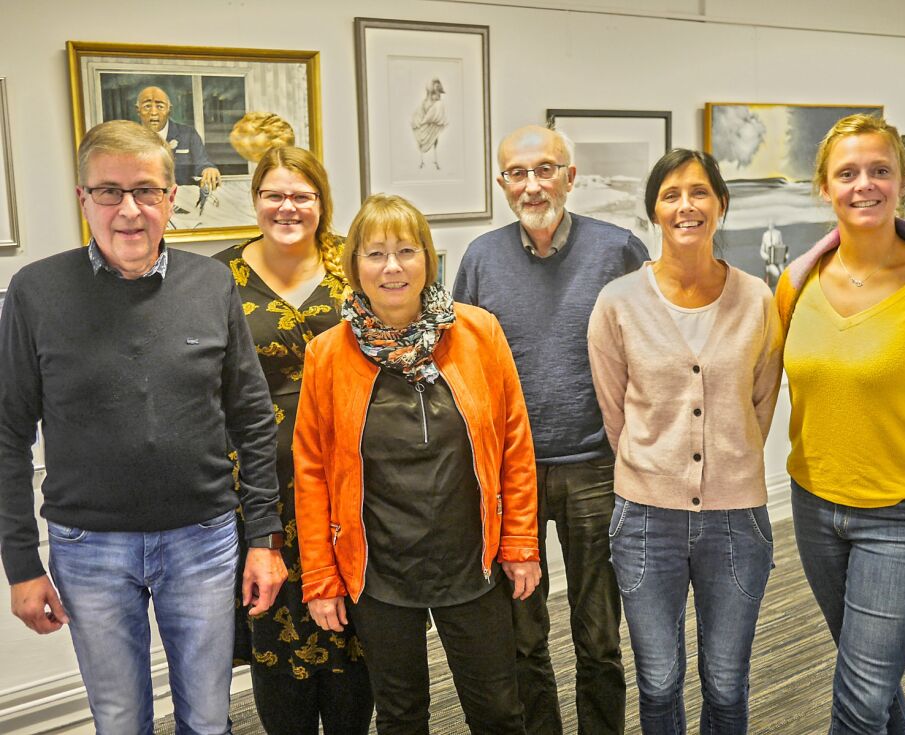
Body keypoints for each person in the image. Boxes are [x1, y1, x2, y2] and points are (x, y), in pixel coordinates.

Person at [0, 119, 287, 734]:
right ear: (83, 199)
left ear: (171, 196)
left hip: (204, 543)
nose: (129, 210)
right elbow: (8, 435)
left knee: (209, 720)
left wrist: (264, 538)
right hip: (88, 549)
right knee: (121, 720)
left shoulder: (211, 283)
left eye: (146, 191)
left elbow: (252, 420)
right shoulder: (36, 292)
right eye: (109, 191)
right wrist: (21, 564)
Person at [294, 193, 541, 735]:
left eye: (406, 251)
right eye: (375, 253)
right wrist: (320, 577)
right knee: (402, 716)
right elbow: (311, 474)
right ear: (353, 264)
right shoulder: (326, 356)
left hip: (470, 561)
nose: (392, 267)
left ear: (428, 259)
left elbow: (515, 447)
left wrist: (521, 544)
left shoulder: (480, 335)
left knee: (499, 710)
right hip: (380, 569)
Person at [775, 113, 905, 733]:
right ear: (825, 187)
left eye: (880, 170)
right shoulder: (796, 283)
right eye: (847, 173)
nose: (864, 185)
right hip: (814, 503)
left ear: (902, 181)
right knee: (869, 678)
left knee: (860, 698)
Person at [454, 124, 648, 734]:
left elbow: (650, 353)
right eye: (518, 173)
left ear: (570, 175)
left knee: (598, 636)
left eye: (545, 170)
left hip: (595, 467)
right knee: (520, 635)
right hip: (513, 475)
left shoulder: (619, 250)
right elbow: (462, 363)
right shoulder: (481, 259)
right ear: (501, 184)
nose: (532, 185)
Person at [588, 149, 783, 734]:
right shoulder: (618, 302)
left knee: (726, 683)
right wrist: (658, 467)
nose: (686, 206)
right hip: (647, 519)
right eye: (671, 195)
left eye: (699, 192)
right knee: (659, 680)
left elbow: (760, 404)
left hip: (737, 519)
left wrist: (726, 459)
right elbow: (615, 412)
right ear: (654, 211)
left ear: (721, 205)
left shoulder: (757, 300)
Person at [213, 146, 373, 735]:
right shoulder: (218, 278)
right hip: (260, 484)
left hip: (352, 474)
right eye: (273, 194)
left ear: (322, 203)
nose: (287, 207)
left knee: (355, 633)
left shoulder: (354, 265)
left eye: (302, 195)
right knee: (275, 638)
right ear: (255, 201)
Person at [137, 85, 221, 190]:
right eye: (147, 106)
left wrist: (208, 169)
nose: (154, 113)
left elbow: (202, 163)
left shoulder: (188, 134)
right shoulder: (130, 137)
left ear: (169, 109)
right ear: (138, 110)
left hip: (180, 199)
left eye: (160, 107)